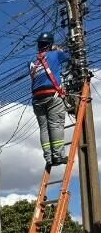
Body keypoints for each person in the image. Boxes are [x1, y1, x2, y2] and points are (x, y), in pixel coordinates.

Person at [30, 32, 71, 166]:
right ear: (50, 44)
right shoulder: (55, 55)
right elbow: (68, 56)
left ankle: (48, 158)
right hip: (52, 96)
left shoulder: (33, 64)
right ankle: (58, 156)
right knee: (55, 125)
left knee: (44, 128)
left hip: (36, 99)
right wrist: (58, 49)